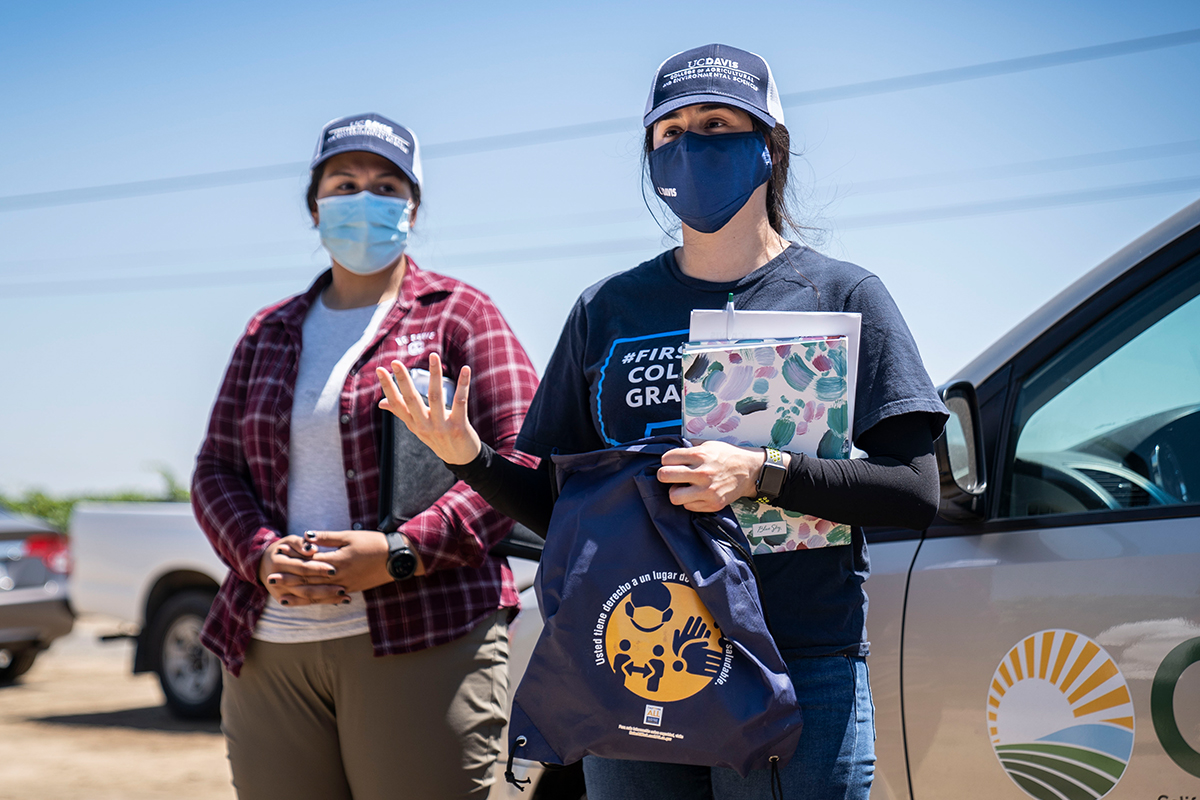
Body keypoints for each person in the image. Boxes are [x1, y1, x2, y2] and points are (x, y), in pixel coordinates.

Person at [377, 44, 948, 800]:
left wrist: (759, 473)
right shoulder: (606, 311)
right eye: (669, 130)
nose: (691, 144)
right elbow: (563, 509)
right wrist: (472, 458)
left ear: (768, 147)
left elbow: (914, 491)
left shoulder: (840, 294)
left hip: (798, 662)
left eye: (715, 123)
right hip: (635, 660)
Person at [191, 112, 539, 800]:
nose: (364, 198)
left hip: (426, 635)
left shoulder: (460, 315)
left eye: (385, 185)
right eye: (344, 182)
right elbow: (215, 470)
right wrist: (259, 553)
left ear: (411, 209)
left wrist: (400, 552)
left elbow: (522, 461)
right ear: (316, 204)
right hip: (270, 648)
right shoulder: (269, 330)